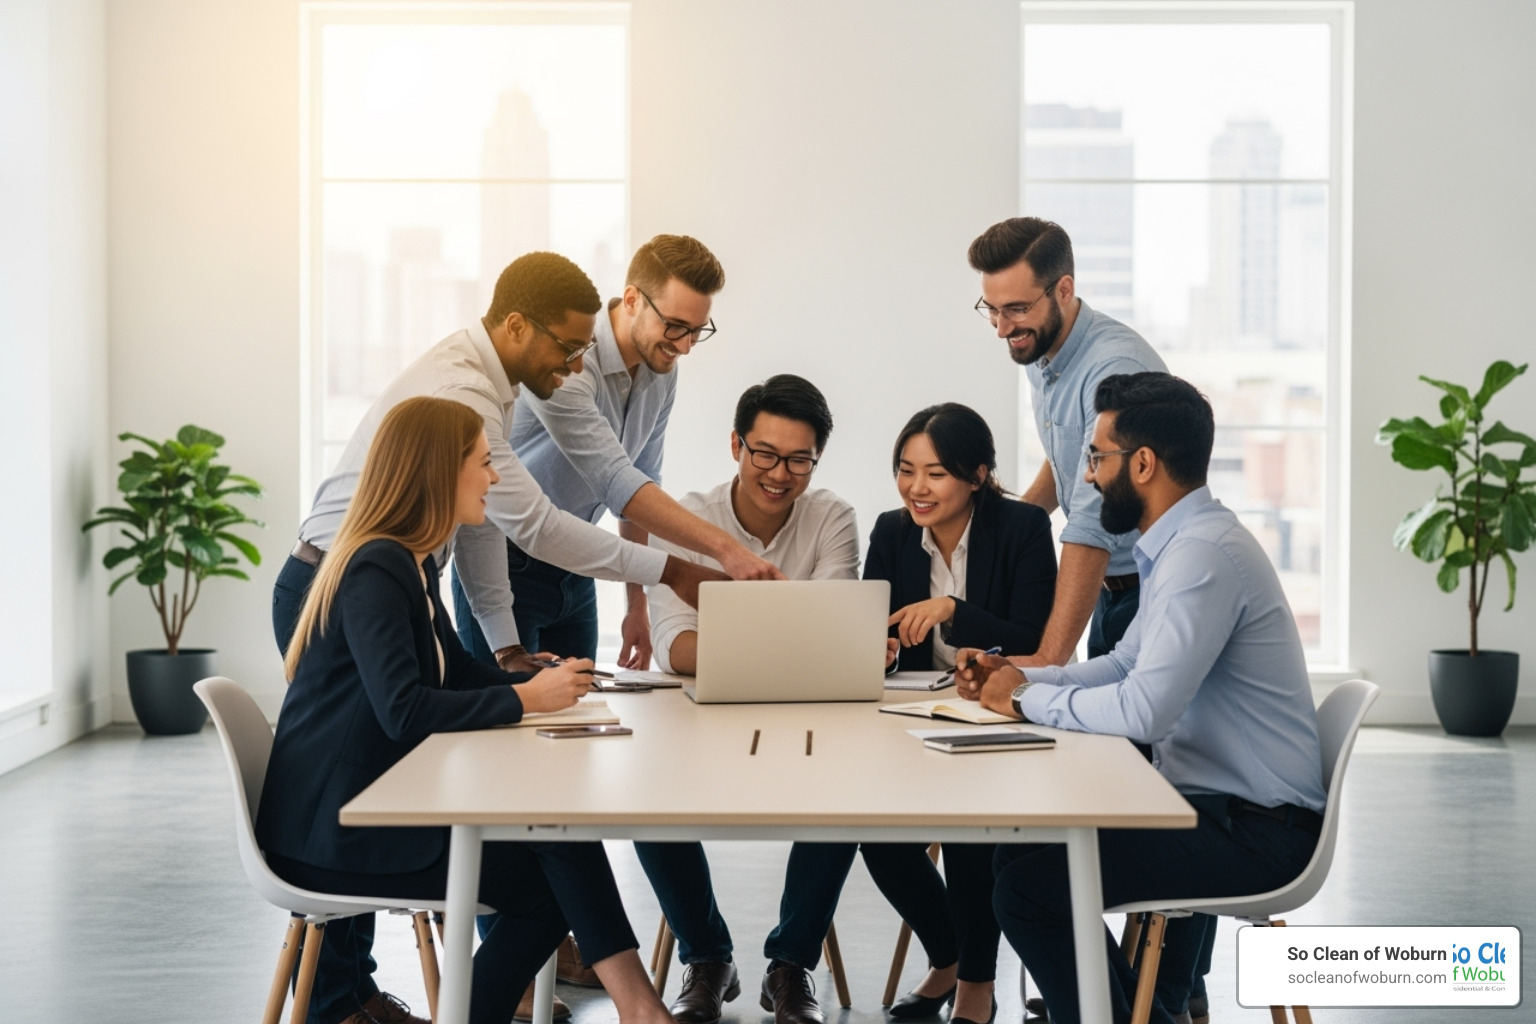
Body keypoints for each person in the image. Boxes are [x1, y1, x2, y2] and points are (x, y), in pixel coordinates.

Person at [269, 251, 725, 1024]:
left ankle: (628, 1005)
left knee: (549, 833)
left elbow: (480, 555)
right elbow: (536, 526)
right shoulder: (391, 554)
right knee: (510, 831)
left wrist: (514, 666)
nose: (578, 364)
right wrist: (671, 574)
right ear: (516, 326)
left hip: (356, 710)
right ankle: (342, 1005)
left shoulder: (414, 554)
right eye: (567, 347)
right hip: (336, 807)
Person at [954, 373, 1326, 1024]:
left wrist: (1020, 704)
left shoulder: (1201, 555)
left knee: (1029, 891)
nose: (1089, 479)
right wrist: (1015, 677)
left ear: (1144, 464)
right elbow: (1125, 664)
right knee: (1017, 856)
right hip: (1220, 809)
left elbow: (1143, 710)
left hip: (1257, 833)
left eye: (1097, 457)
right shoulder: (1185, 543)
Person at [638, 374, 891, 1024]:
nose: (781, 473)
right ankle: (707, 957)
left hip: (807, 721)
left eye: (799, 459)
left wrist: (732, 626)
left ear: (816, 460)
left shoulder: (832, 516)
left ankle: (791, 965)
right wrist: (796, 635)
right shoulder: (690, 517)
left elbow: (834, 632)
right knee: (643, 803)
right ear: (736, 446)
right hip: (701, 717)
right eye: (766, 454)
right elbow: (674, 648)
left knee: (845, 800)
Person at [452, 234, 782, 673]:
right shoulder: (568, 358)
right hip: (505, 563)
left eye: (697, 331)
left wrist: (636, 605)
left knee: (580, 714)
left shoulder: (663, 371)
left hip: (576, 564)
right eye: (676, 327)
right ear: (632, 300)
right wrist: (726, 550)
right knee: (505, 715)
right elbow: (617, 484)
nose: (684, 346)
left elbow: (641, 481)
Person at [859, 403, 1057, 1024]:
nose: (916, 488)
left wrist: (952, 609)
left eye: (936, 473)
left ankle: (976, 984)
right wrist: (880, 651)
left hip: (999, 724)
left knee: (973, 833)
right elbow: (869, 634)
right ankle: (947, 958)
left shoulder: (1022, 527)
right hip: (915, 726)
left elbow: (1033, 638)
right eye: (906, 470)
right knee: (879, 840)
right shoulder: (892, 532)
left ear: (977, 474)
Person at [967, 217, 1165, 664]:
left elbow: (1092, 525)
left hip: (1148, 591)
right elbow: (1071, 462)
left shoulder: (1114, 368)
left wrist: (1047, 660)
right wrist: (1004, 527)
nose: (1001, 329)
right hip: (1107, 592)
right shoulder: (1044, 353)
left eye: (1016, 309)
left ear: (1064, 290)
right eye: (991, 309)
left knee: (1119, 734)